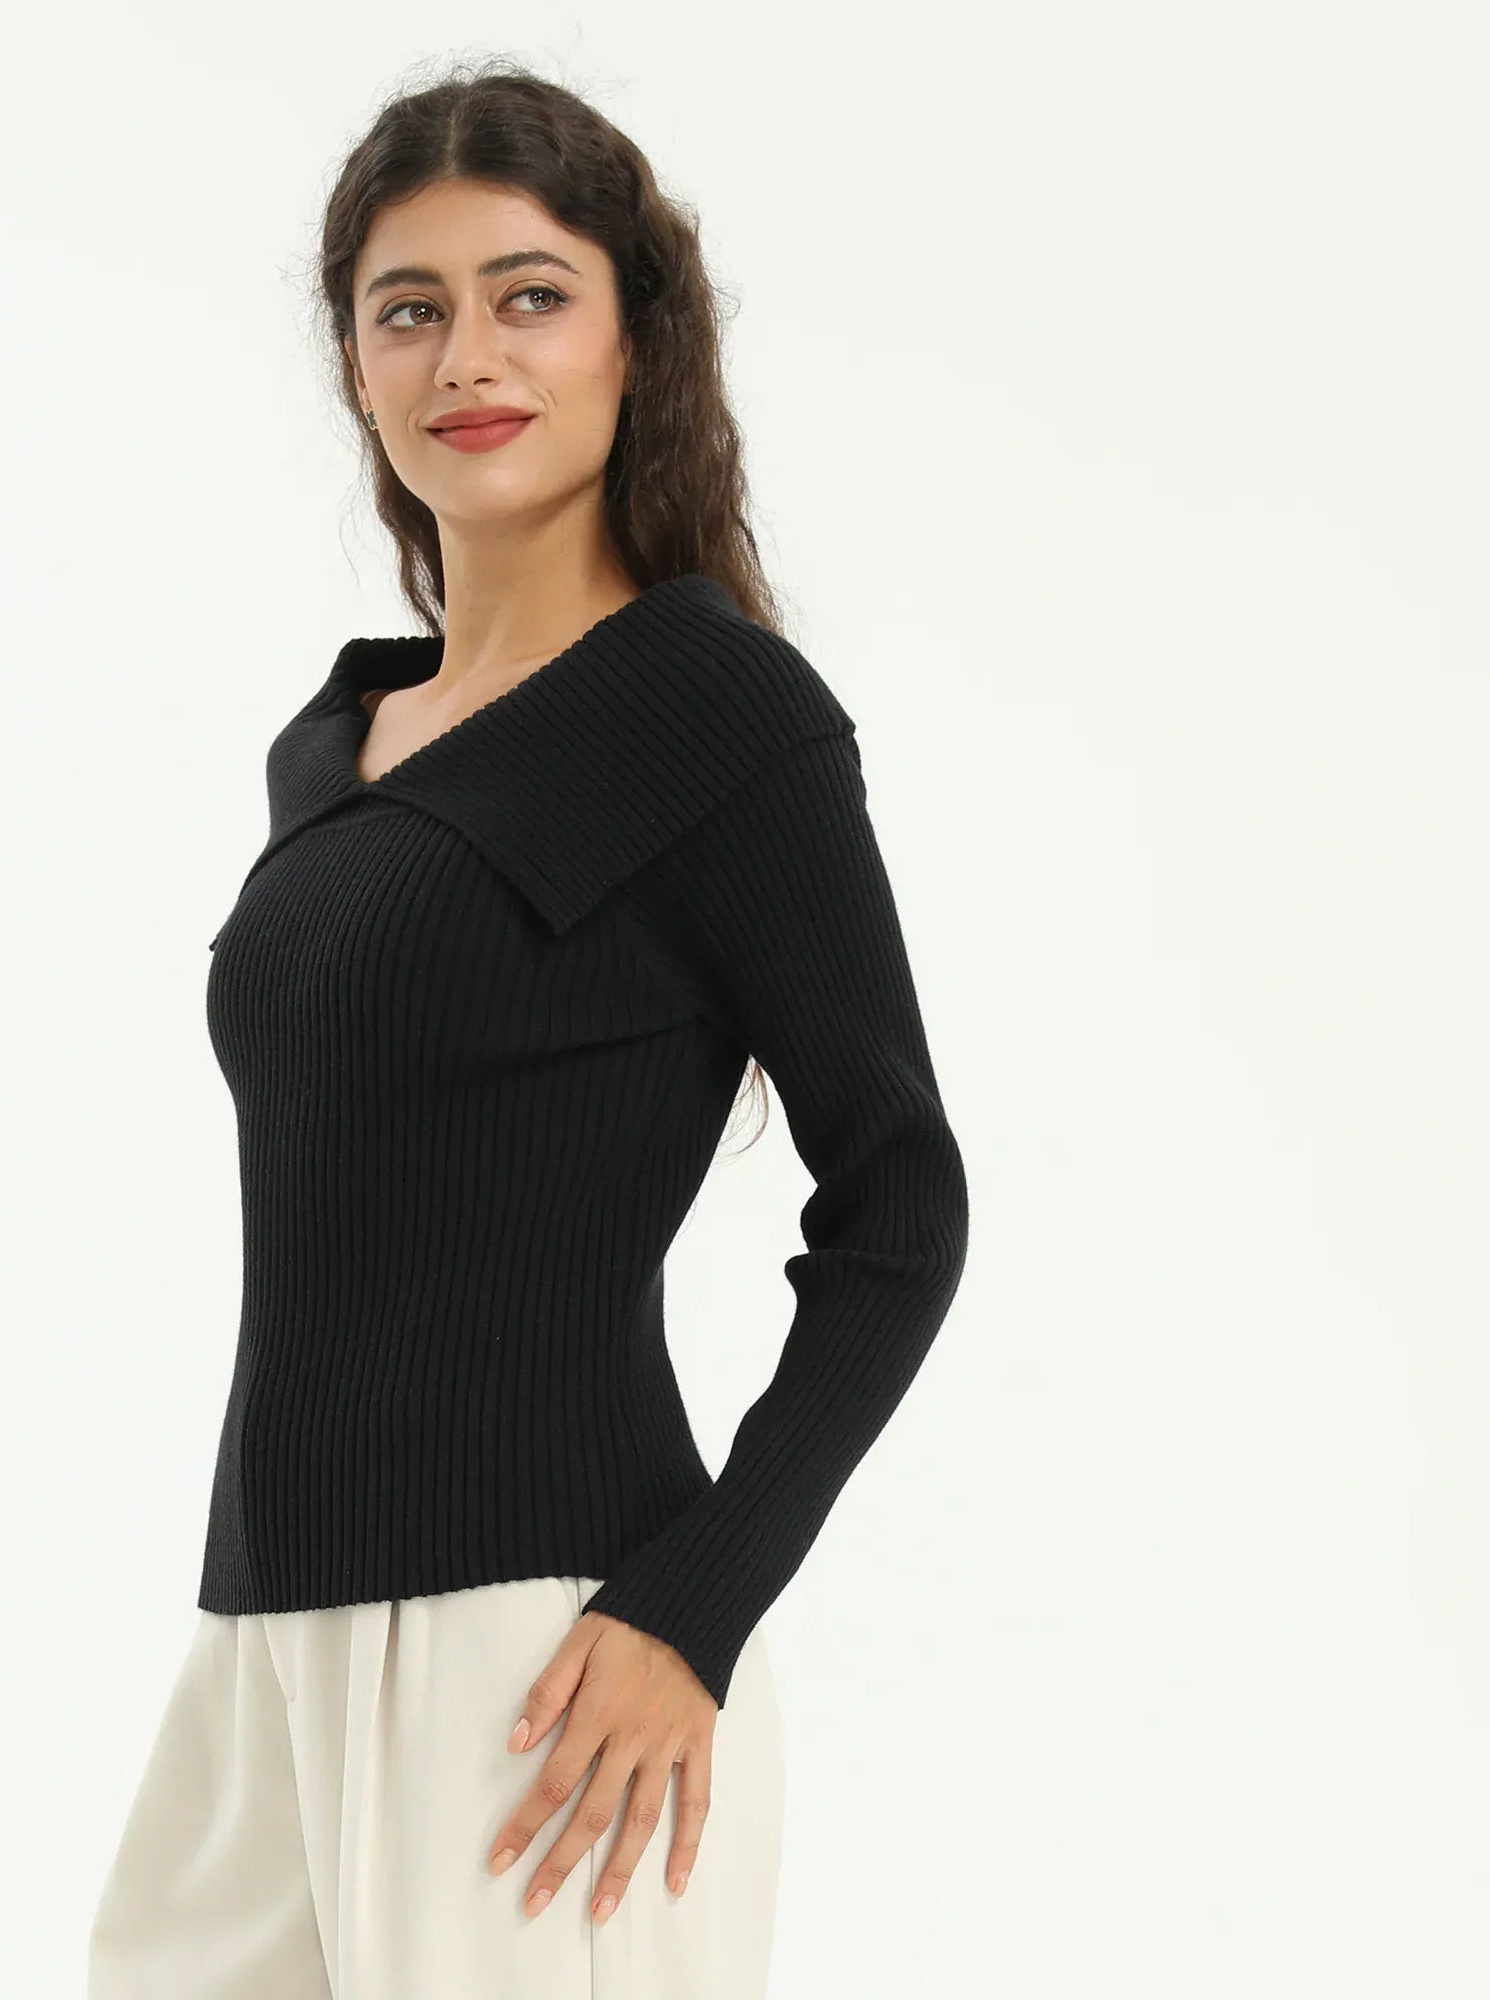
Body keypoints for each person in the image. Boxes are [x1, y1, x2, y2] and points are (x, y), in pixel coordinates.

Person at [88, 59, 969, 2000]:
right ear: (353, 364)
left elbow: (902, 1203)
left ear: (636, 339)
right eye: (408, 307)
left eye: (530, 295)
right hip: (265, 1642)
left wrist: (694, 1607)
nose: (467, 355)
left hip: (544, 1671)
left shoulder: (716, 721)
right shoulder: (337, 750)